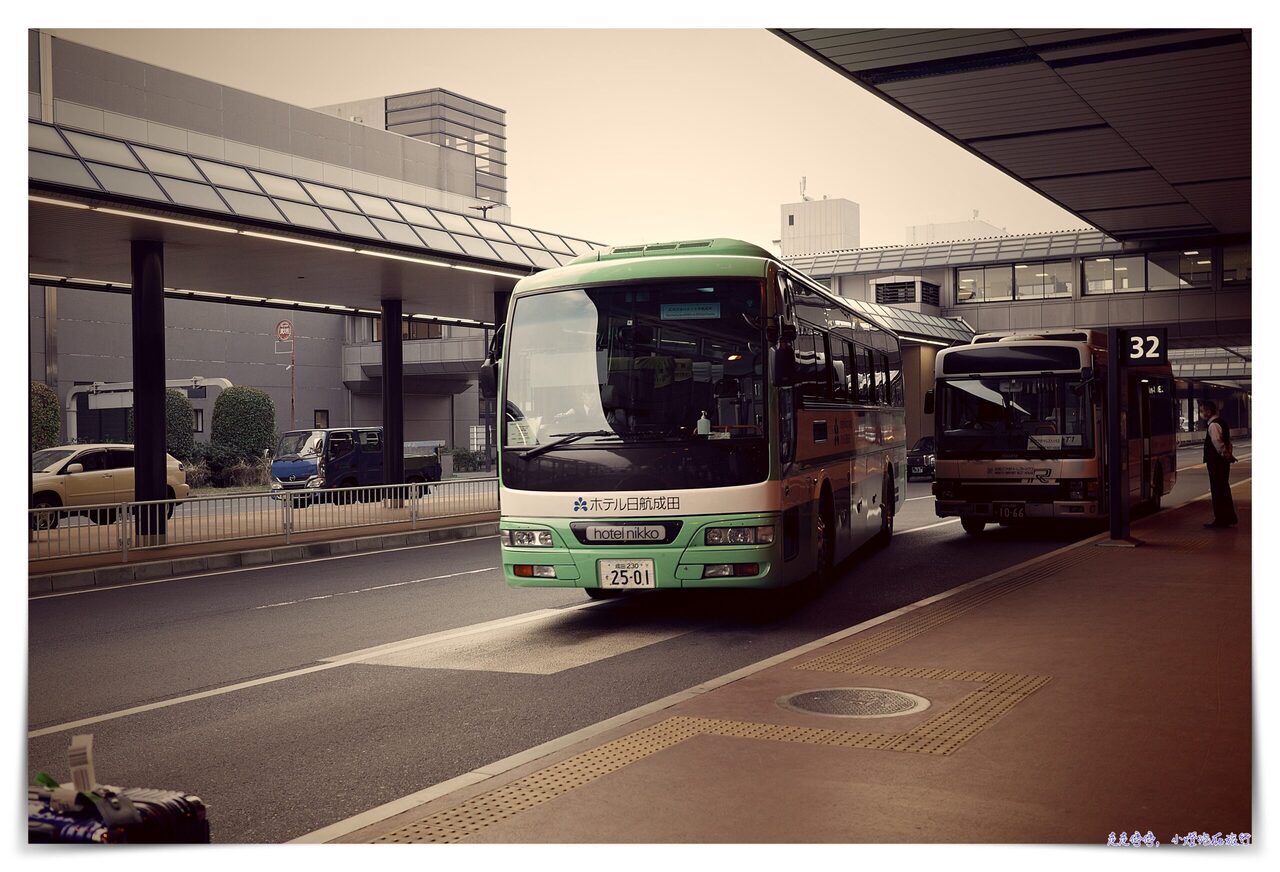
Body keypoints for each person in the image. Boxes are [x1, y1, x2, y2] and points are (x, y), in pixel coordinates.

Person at [1199, 400, 1238, 528]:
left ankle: (1221, 518)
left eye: (1202, 410)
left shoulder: (1213, 425)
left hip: (1216, 462)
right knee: (1224, 489)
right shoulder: (1222, 422)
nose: (1201, 413)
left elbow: (1218, 443)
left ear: (1209, 411)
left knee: (1217, 490)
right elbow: (1228, 442)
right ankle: (1229, 517)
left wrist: (1226, 455)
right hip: (1222, 462)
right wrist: (1229, 456)